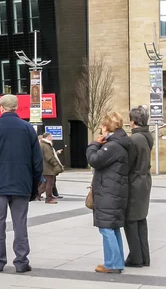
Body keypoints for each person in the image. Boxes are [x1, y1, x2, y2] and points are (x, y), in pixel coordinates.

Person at [0, 94, 43, 274]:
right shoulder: (27, 129)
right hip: (21, 184)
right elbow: (37, 161)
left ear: (1, 108)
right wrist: (36, 185)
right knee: (20, 223)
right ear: (16, 108)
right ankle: (21, 262)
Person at [86, 112, 129, 274]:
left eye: (102, 126)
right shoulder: (120, 143)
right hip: (114, 190)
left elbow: (94, 160)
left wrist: (93, 145)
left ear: (107, 127)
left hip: (108, 192)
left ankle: (113, 263)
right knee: (113, 227)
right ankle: (115, 262)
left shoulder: (112, 146)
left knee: (106, 228)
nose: (101, 130)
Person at [124, 106, 153, 268]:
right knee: (141, 219)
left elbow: (127, 164)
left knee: (131, 220)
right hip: (144, 180)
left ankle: (135, 258)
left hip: (135, 181)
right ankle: (144, 257)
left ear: (133, 121)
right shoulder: (147, 136)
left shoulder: (135, 139)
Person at [38, 133, 64, 204]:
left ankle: (37, 194)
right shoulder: (45, 145)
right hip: (48, 167)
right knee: (50, 183)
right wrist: (55, 164)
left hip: (46, 167)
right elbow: (49, 157)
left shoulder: (44, 144)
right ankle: (48, 198)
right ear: (48, 137)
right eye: (51, 136)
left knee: (45, 183)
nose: (52, 138)